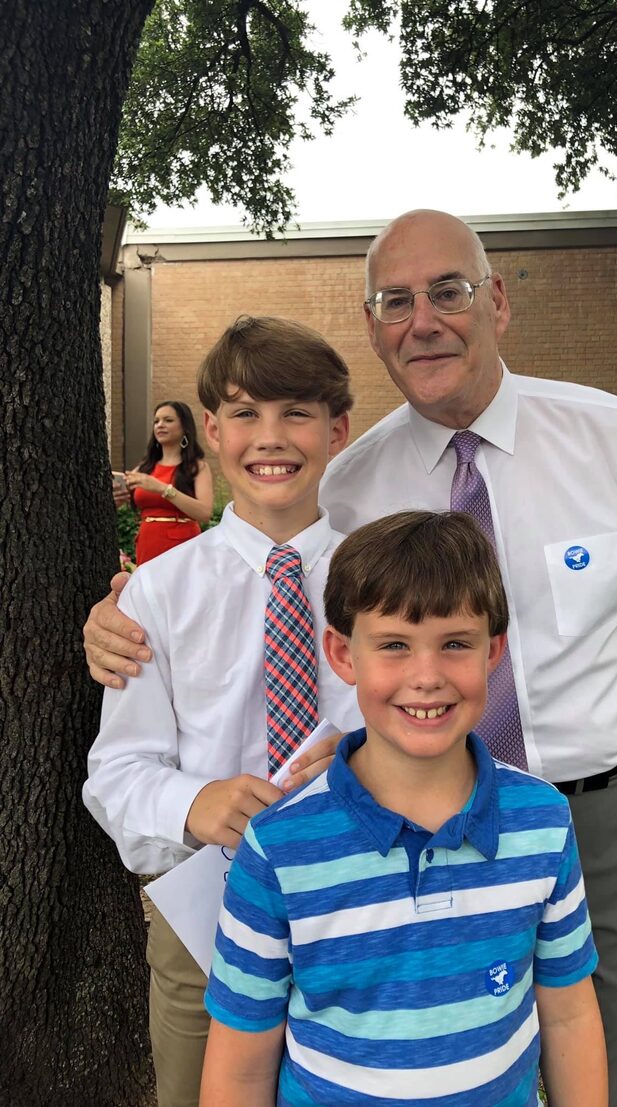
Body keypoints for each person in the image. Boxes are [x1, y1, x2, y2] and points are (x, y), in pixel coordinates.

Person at [84, 210, 617, 1107]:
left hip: (574, 817)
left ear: (495, 299)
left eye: (448, 291)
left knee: (589, 1054)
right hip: (297, 876)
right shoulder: (349, 489)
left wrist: (613, 736)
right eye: (395, 301)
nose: (424, 319)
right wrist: (115, 614)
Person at [200, 510, 607, 1107]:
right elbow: (239, 1067)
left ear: (493, 650)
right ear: (342, 653)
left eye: (455, 644)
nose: (426, 677)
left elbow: (569, 1016)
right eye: (394, 645)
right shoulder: (278, 847)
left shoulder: (542, 821)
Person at [83, 316, 362, 1107]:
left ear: (337, 429)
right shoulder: (158, 592)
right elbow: (117, 768)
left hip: (362, 900)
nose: (269, 437)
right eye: (244, 412)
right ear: (211, 428)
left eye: (296, 412)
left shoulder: (383, 578)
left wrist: (378, 753)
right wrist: (194, 801)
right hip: (207, 918)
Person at [119, 399, 214, 564]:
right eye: (156, 421)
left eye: (168, 420)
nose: (160, 425)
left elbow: (204, 513)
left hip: (182, 544)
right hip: (147, 542)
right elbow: (123, 501)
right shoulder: (144, 468)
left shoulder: (197, 467)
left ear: (185, 427)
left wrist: (163, 489)